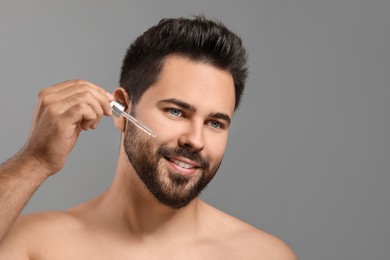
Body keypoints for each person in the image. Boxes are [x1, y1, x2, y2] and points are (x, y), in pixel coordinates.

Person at [0, 16, 297, 259]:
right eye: (176, 112)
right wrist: (35, 161)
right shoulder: (36, 247)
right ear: (121, 109)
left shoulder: (264, 255)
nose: (195, 140)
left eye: (215, 123)